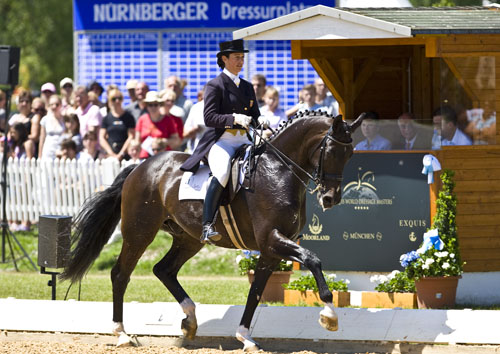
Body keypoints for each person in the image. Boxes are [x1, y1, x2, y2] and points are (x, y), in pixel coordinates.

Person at [180, 39, 262, 244]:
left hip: (245, 140)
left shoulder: (247, 86)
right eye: (236, 57)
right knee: (223, 172)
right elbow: (209, 118)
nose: (240, 61)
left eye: (242, 57)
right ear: (224, 59)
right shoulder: (215, 85)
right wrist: (233, 119)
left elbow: (255, 114)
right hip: (222, 141)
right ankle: (207, 225)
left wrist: (261, 121)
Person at [135, 91, 181, 159]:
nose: (153, 107)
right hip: (145, 158)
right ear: (146, 106)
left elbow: (176, 140)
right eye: (150, 105)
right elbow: (137, 141)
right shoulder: (142, 119)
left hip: (163, 157)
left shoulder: (168, 120)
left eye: (155, 104)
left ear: (160, 105)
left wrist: (163, 141)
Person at [99, 88, 135, 161]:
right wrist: (111, 153)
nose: (117, 101)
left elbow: (131, 136)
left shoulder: (129, 117)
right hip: (111, 154)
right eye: (114, 99)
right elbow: (101, 138)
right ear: (109, 101)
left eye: (119, 98)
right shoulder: (107, 118)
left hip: (125, 155)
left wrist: (121, 153)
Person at [39, 95, 66, 159]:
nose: (54, 107)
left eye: (57, 104)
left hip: (60, 151)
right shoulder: (45, 119)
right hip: (48, 150)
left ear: (61, 105)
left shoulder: (65, 119)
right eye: (52, 104)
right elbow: (42, 138)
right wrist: (40, 156)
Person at [183, 86, 207, 153]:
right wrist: (195, 129)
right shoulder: (197, 107)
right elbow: (185, 133)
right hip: (196, 151)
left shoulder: (223, 107)